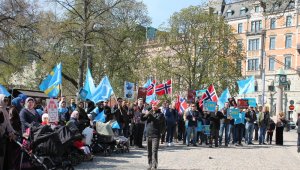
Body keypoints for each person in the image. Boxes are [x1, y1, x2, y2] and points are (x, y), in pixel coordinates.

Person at [141, 102, 165, 170]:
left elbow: (156, 121)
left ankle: (154, 166)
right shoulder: (149, 112)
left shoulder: (161, 114)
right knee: (149, 152)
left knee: (154, 151)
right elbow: (142, 119)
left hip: (156, 135)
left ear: (158, 106)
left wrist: (149, 114)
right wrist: (143, 113)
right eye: (153, 105)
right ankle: (150, 164)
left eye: (156, 105)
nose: (154, 106)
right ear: (152, 105)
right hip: (148, 134)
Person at [0, 95, 16, 170]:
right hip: (1, 136)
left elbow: (8, 124)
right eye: (4, 100)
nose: (6, 102)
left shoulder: (5, 110)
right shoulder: (0, 111)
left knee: (2, 157)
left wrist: (12, 132)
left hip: (3, 137)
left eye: (7, 100)